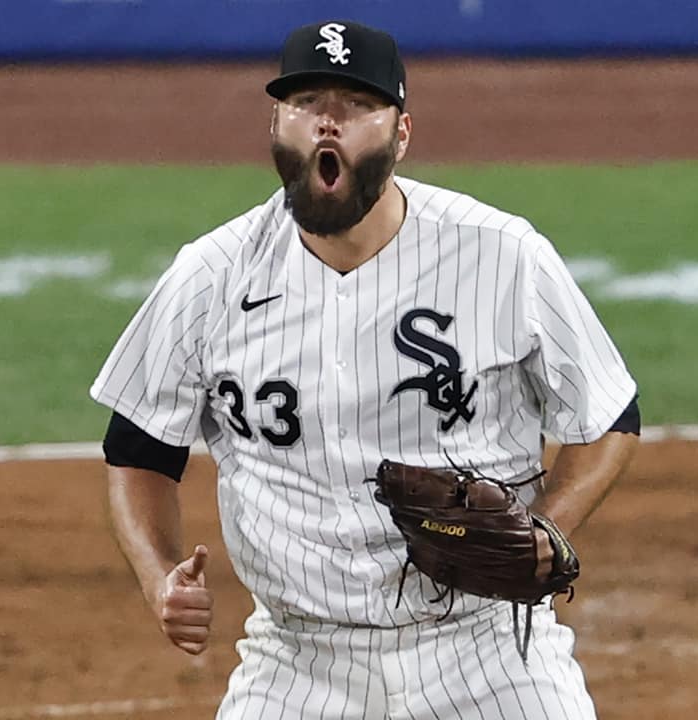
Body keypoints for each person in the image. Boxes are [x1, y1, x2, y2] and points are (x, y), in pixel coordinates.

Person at [90, 19, 641, 720]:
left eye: (355, 105)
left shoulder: (503, 256)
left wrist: (546, 530)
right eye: (306, 102)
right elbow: (138, 449)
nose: (328, 121)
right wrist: (160, 577)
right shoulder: (212, 276)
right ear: (276, 126)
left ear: (401, 133)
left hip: (489, 653)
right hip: (295, 663)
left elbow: (607, 414)